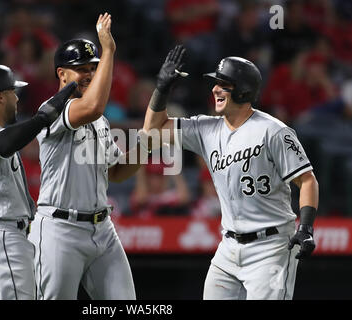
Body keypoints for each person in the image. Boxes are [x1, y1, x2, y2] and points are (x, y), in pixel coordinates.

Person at [143, 46, 319, 300]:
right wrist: (161, 89)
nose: (215, 89)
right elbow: (152, 130)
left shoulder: (274, 131)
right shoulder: (206, 128)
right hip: (228, 246)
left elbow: (307, 180)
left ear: (244, 90)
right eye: (215, 84)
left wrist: (306, 228)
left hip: (271, 245)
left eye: (223, 84)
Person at [28, 13, 142, 300]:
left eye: (93, 67)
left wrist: (147, 146)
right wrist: (109, 51)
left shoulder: (99, 121)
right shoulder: (53, 109)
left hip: (102, 229)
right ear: (61, 74)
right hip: (60, 230)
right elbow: (92, 107)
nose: (90, 74)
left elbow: (115, 172)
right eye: (81, 68)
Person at [0, 64, 76, 300]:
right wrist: (44, 117)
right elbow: (7, 143)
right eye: (13, 92)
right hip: (2, 238)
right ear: (0, 96)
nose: (17, 99)